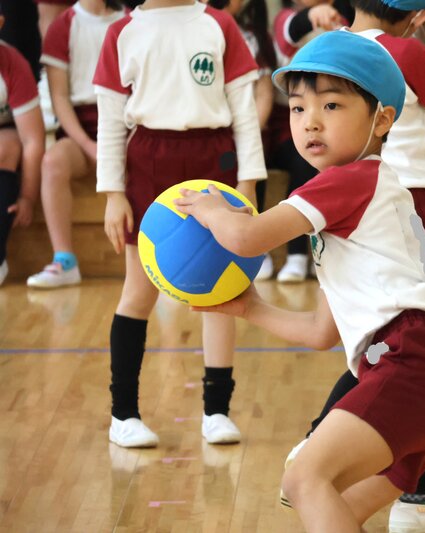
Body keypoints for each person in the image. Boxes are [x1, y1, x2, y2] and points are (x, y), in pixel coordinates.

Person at [175, 30, 425, 533]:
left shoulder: (349, 180)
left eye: (332, 105)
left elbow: (246, 238)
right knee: (338, 506)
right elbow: (323, 332)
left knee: (304, 480)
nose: (310, 121)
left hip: (413, 360)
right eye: (298, 108)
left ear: (382, 119)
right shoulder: (368, 201)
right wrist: (251, 308)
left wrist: (211, 209)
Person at [92, 0, 266, 447]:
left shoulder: (218, 24)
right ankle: (123, 414)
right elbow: (110, 121)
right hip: (149, 160)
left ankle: (217, 411)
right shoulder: (121, 33)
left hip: (214, 159)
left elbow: (245, 113)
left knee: (221, 291)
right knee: (138, 292)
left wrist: (248, 184)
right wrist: (113, 193)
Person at [27, 0, 127, 289]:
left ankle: (159, 261)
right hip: (81, 127)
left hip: (125, 123)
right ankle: (65, 260)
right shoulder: (62, 26)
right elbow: (59, 96)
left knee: (153, 157)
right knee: (52, 162)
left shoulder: (130, 21)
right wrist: (88, 144)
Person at [269, 0, 352, 282]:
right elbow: (291, 29)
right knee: (304, 158)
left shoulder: (344, 20)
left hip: (335, 121)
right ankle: (296, 255)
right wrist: (312, 15)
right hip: (289, 128)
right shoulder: (284, 18)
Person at [204, 0, 278, 280]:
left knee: (251, 161)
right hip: (209, 133)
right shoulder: (194, 30)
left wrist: (247, 134)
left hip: (247, 130)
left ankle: (256, 246)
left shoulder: (252, 37)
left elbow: (263, 93)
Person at [0, 6, 46, 287]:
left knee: (8, 146)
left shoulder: (12, 63)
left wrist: (28, 196)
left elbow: (33, 140)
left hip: (7, 135)